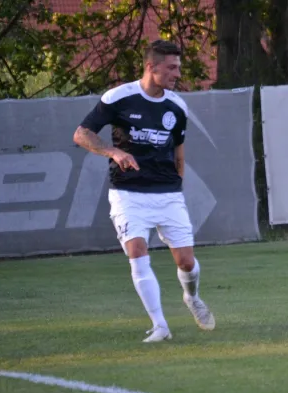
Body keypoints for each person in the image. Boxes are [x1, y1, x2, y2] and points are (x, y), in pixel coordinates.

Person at [72, 40, 215, 341]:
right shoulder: (119, 97)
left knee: (186, 262)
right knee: (137, 253)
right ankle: (160, 325)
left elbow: (179, 151)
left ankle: (191, 297)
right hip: (128, 193)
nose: (177, 73)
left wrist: (177, 184)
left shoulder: (177, 105)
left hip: (167, 193)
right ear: (151, 66)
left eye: (178, 67)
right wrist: (113, 152)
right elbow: (81, 134)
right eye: (172, 67)